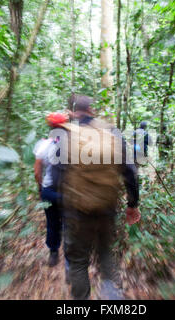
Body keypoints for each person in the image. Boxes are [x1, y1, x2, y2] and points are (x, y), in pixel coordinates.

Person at [56, 94, 141, 300]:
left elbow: (59, 174)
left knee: (78, 261)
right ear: (92, 111)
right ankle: (112, 298)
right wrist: (132, 204)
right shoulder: (111, 131)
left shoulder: (66, 135)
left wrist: (63, 208)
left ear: (73, 113)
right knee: (105, 254)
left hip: (77, 211)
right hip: (106, 208)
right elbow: (130, 171)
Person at [33, 112, 68, 267]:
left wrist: (40, 189)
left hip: (49, 189)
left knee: (52, 222)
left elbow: (36, 172)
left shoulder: (43, 145)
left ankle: (53, 253)